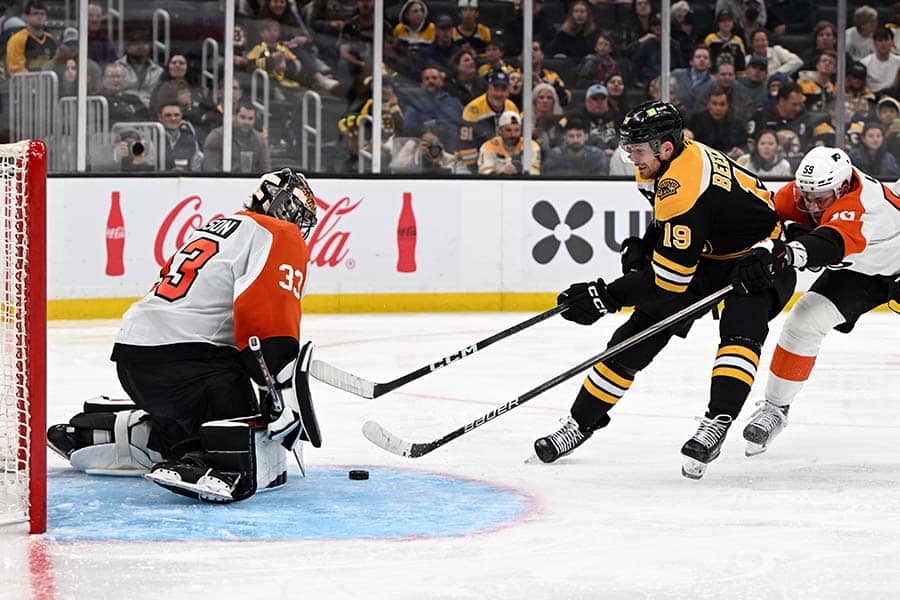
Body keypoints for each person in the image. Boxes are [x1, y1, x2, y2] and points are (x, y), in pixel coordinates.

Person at [532, 101, 795, 480]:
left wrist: (606, 296)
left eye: (637, 150)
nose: (630, 157)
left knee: (741, 330)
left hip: (760, 256)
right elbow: (678, 228)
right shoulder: (672, 162)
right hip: (710, 253)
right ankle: (580, 423)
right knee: (633, 338)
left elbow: (669, 282)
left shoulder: (682, 185)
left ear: (665, 147)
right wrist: (646, 245)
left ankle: (716, 422)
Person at [47, 168, 322, 504]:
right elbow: (264, 319)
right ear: (277, 205)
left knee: (187, 420)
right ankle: (204, 461)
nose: (299, 225)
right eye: (296, 213)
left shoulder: (221, 227)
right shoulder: (278, 232)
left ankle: (106, 433)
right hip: (188, 363)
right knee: (245, 434)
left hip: (135, 358)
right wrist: (278, 391)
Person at [741, 147, 900, 456]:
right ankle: (775, 409)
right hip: (861, 272)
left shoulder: (862, 204)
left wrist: (788, 250)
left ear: (842, 189)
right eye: (806, 197)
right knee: (804, 320)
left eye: (820, 199)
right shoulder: (803, 193)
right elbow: (765, 217)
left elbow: (828, 244)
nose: (811, 206)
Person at [458, 68, 518, 170]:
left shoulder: (512, 107)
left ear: (508, 91)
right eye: (495, 89)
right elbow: (465, 144)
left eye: (503, 90)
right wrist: (474, 169)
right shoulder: (473, 109)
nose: (499, 94)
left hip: (502, 159)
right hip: (472, 161)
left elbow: (516, 139)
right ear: (489, 88)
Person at [202, 100, 272, 173]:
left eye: (250, 118)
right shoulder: (217, 137)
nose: (246, 122)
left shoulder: (259, 140)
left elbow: (266, 171)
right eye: (242, 117)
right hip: (223, 182)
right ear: (234, 116)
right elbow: (210, 171)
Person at [687, 87, 746, 158]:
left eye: (722, 104)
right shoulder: (696, 120)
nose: (718, 108)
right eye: (714, 104)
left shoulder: (737, 123)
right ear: (708, 105)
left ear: (728, 106)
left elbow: (745, 147)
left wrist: (741, 151)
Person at [477, 110, 540, 175]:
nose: (513, 134)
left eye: (517, 130)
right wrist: (502, 171)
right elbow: (484, 174)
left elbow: (535, 173)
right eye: (508, 130)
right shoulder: (488, 146)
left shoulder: (531, 146)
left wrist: (520, 171)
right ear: (500, 131)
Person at [115, 30, 164, 110]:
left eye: (144, 43)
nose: (141, 47)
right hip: (124, 109)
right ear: (127, 47)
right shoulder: (116, 67)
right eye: (136, 43)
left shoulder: (158, 71)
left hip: (150, 111)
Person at [5, 1, 57, 76]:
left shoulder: (51, 39)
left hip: (46, 85)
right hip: (24, 85)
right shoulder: (17, 39)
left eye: (42, 14)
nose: (40, 17)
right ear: (26, 16)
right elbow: (16, 71)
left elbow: (55, 65)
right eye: (35, 13)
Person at [543, 118, 609, 176]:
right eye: (571, 136)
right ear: (565, 137)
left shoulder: (597, 156)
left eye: (579, 136)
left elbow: (601, 182)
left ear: (586, 137)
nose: (575, 140)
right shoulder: (554, 156)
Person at [158, 101, 203, 172]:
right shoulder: (152, 139)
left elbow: (196, 168)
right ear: (160, 117)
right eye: (168, 115)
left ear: (181, 117)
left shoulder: (191, 141)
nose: (173, 118)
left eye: (176, 115)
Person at [860, 28, 900, 94]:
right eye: (880, 40)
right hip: (872, 99)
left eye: (886, 40)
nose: (883, 44)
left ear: (892, 42)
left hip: (894, 97)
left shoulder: (898, 61)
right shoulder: (865, 63)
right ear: (874, 43)